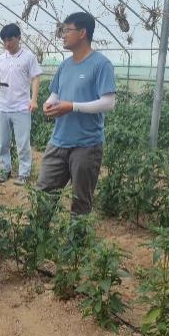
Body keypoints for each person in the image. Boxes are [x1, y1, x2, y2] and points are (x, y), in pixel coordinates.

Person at [39, 12, 116, 215]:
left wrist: (72, 106)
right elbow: (55, 94)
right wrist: (49, 104)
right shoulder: (65, 65)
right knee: (43, 195)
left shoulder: (101, 64)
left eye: (67, 30)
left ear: (82, 33)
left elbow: (109, 102)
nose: (63, 35)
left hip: (86, 145)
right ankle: (39, 234)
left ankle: (77, 236)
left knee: (81, 202)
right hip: (58, 141)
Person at [0, 23, 42, 185]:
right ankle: (5, 170)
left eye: (10, 40)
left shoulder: (28, 57)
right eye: (4, 41)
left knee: (23, 143)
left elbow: (35, 78)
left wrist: (34, 100)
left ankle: (24, 173)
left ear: (18, 38)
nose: (7, 44)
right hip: (3, 108)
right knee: (3, 143)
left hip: (21, 107)